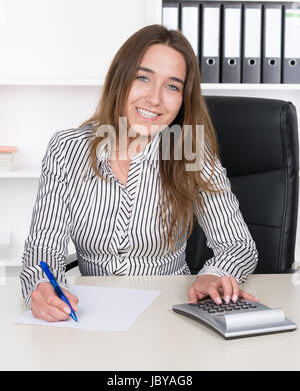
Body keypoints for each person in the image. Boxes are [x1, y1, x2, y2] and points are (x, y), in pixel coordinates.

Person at [20, 24, 259, 322]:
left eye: (172, 86)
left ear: (184, 98)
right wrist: (42, 286)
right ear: (120, 79)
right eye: (143, 78)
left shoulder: (190, 151)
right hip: (93, 314)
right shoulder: (66, 149)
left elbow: (237, 244)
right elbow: (44, 246)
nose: (155, 99)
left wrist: (212, 275)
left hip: (168, 314)